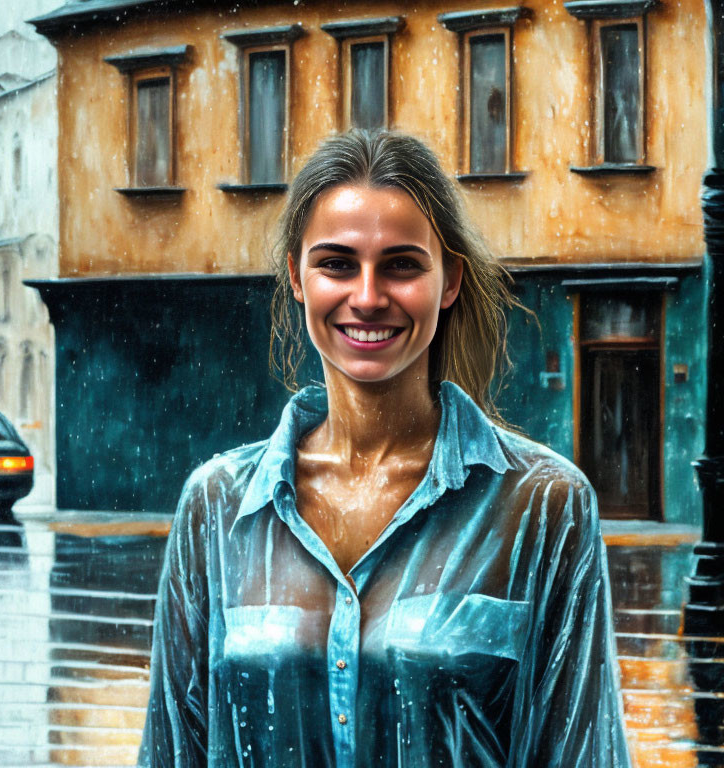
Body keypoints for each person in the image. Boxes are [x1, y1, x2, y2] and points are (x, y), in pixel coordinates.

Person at [138, 130, 632, 768]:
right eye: (337, 264)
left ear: (449, 279)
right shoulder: (216, 504)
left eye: (401, 264)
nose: (368, 297)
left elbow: (582, 754)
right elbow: (172, 751)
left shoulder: (542, 504)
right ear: (297, 276)